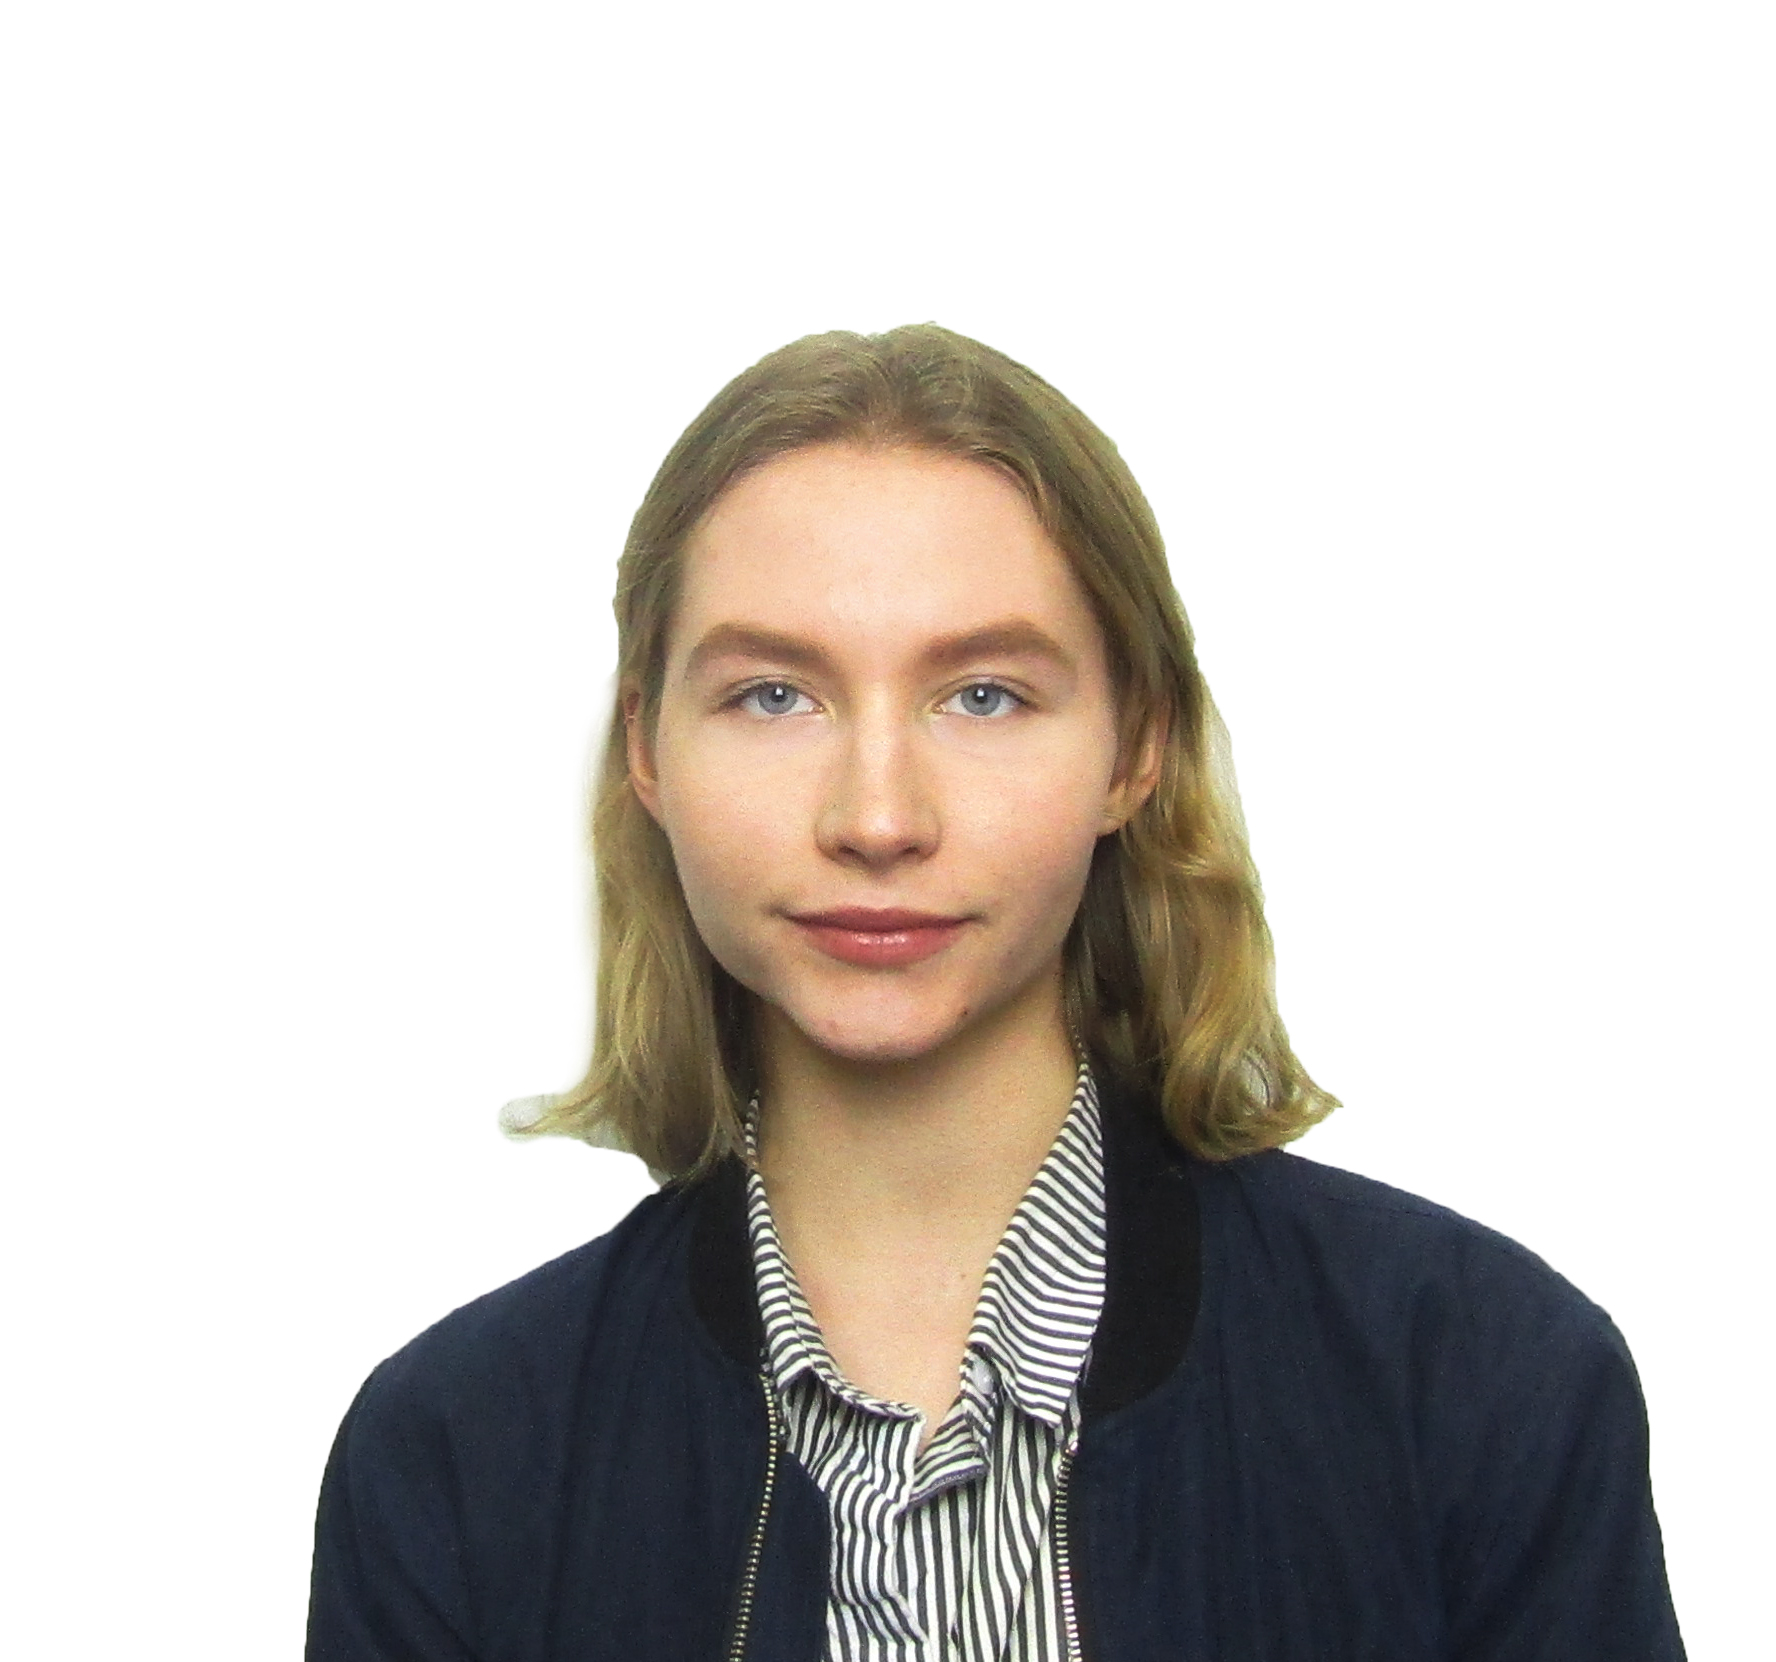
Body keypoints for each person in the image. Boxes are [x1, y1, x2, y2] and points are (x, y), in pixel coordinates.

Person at [305, 325, 1685, 1661]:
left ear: (1135, 747)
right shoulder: (451, 1460)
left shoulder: (1481, 1384)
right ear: (648, 753)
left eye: (983, 696)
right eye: (774, 695)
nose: (877, 817)